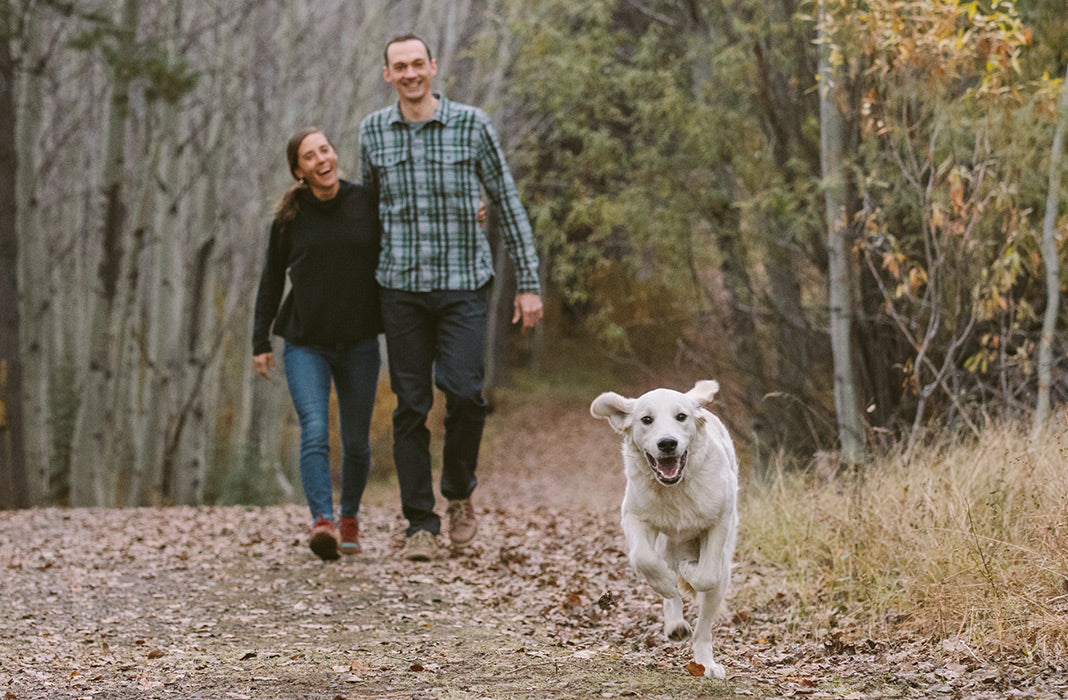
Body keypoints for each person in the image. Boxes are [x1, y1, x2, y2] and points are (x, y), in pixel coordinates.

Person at [359, 33, 544, 562]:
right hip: (400, 288)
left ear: (433, 67)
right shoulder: (374, 131)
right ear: (388, 74)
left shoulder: (471, 125)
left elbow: (505, 200)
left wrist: (528, 282)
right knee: (411, 406)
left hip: (464, 284)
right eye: (400, 66)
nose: (411, 73)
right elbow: (368, 211)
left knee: (465, 394)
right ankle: (420, 523)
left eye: (419, 63)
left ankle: (459, 493)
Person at [252, 129, 383, 561]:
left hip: (360, 341)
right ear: (298, 171)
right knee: (313, 428)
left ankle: (350, 518)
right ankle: (322, 522)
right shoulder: (290, 220)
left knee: (357, 441)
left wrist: (470, 213)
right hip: (306, 342)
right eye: (309, 156)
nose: (321, 159)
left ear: (334, 154)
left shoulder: (366, 202)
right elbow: (271, 281)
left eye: (324, 150)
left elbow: (413, 227)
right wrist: (260, 340)